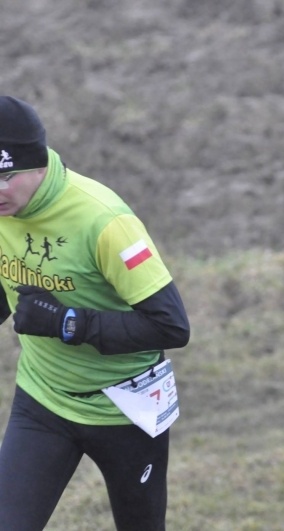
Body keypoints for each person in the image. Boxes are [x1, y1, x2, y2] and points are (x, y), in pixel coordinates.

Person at [0, 95, 190, 531]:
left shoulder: (103, 220)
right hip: (42, 403)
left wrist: (68, 323)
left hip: (125, 411)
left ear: (39, 163)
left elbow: (171, 326)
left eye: (6, 175)